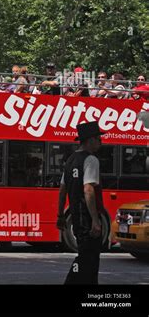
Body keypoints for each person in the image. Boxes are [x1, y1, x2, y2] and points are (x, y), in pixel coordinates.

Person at [57, 121, 105, 285]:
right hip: (87, 217)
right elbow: (88, 189)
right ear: (90, 140)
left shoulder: (70, 160)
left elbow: (62, 190)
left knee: (87, 258)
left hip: (77, 218)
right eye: (99, 138)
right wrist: (96, 220)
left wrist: (60, 215)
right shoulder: (91, 160)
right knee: (87, 257)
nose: (101, 142)